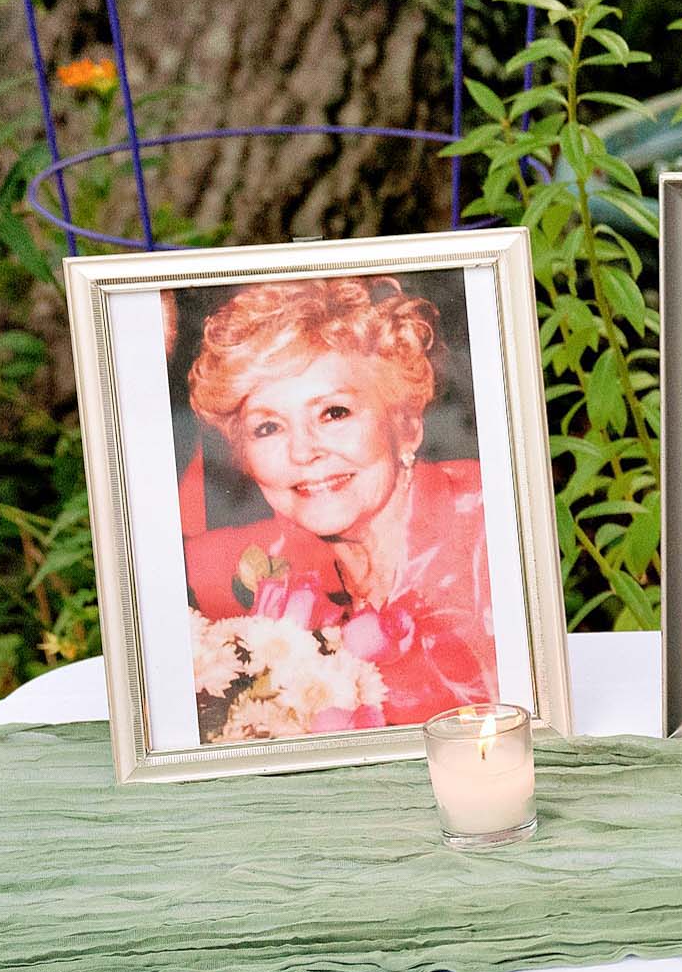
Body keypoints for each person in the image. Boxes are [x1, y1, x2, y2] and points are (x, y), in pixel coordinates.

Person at [181, 274, 497, 725]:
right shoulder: (278, 571)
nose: (302, 451)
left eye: (333, 413)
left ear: (406, 425)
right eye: (268, 427)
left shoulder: (490, 524)